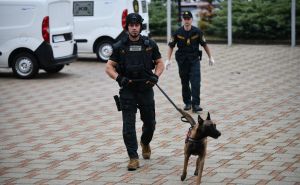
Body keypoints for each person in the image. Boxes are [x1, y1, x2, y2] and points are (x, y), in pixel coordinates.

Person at [105, 13, 164, 171]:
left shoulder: (149, 44)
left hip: (146, 88)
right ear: (127, 27)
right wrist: (119, 79)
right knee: (128, 126)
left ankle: (145, 142)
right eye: (131, 25)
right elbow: (109, 67)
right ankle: (133, 157)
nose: (134, 28)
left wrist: (155, 76)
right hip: (128, 89)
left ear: (140, 26)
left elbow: (159, 63)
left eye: (137, 25)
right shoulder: (119, 46)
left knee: (150, 124)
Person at [165, 11, 215, 113]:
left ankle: (195, 104)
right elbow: (171, 46)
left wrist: (210, 57)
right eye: (185, 19)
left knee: (196, 82)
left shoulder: (197, 32)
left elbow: (204, 44)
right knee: (185, 82)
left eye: (189, 18)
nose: (187, 20)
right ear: (182, 20)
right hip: (182, 61)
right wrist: (168, 59)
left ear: (192, 20)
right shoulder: (178, 32)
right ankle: (187, 102)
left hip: (194, 60)